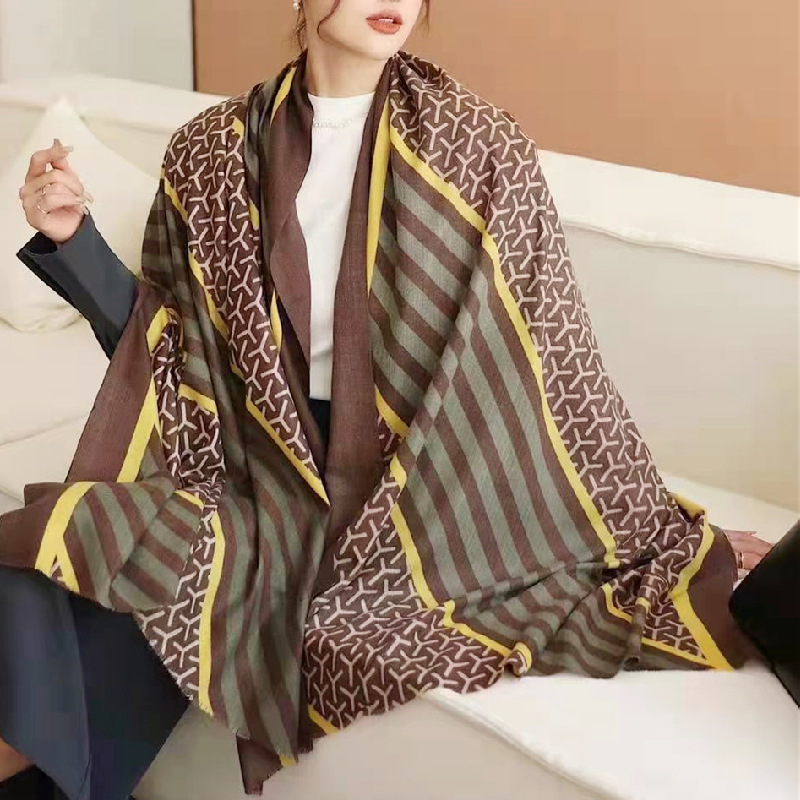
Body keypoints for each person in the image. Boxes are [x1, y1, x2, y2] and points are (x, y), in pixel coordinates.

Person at [0, 1, 777, 797]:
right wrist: (73, 242)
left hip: (420, 498)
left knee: (200, 589)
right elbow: (172, 358)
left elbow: (556, 367)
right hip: (259, 476)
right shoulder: (209, 154)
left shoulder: (479, 148)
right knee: (58, 545)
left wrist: (652, 520)